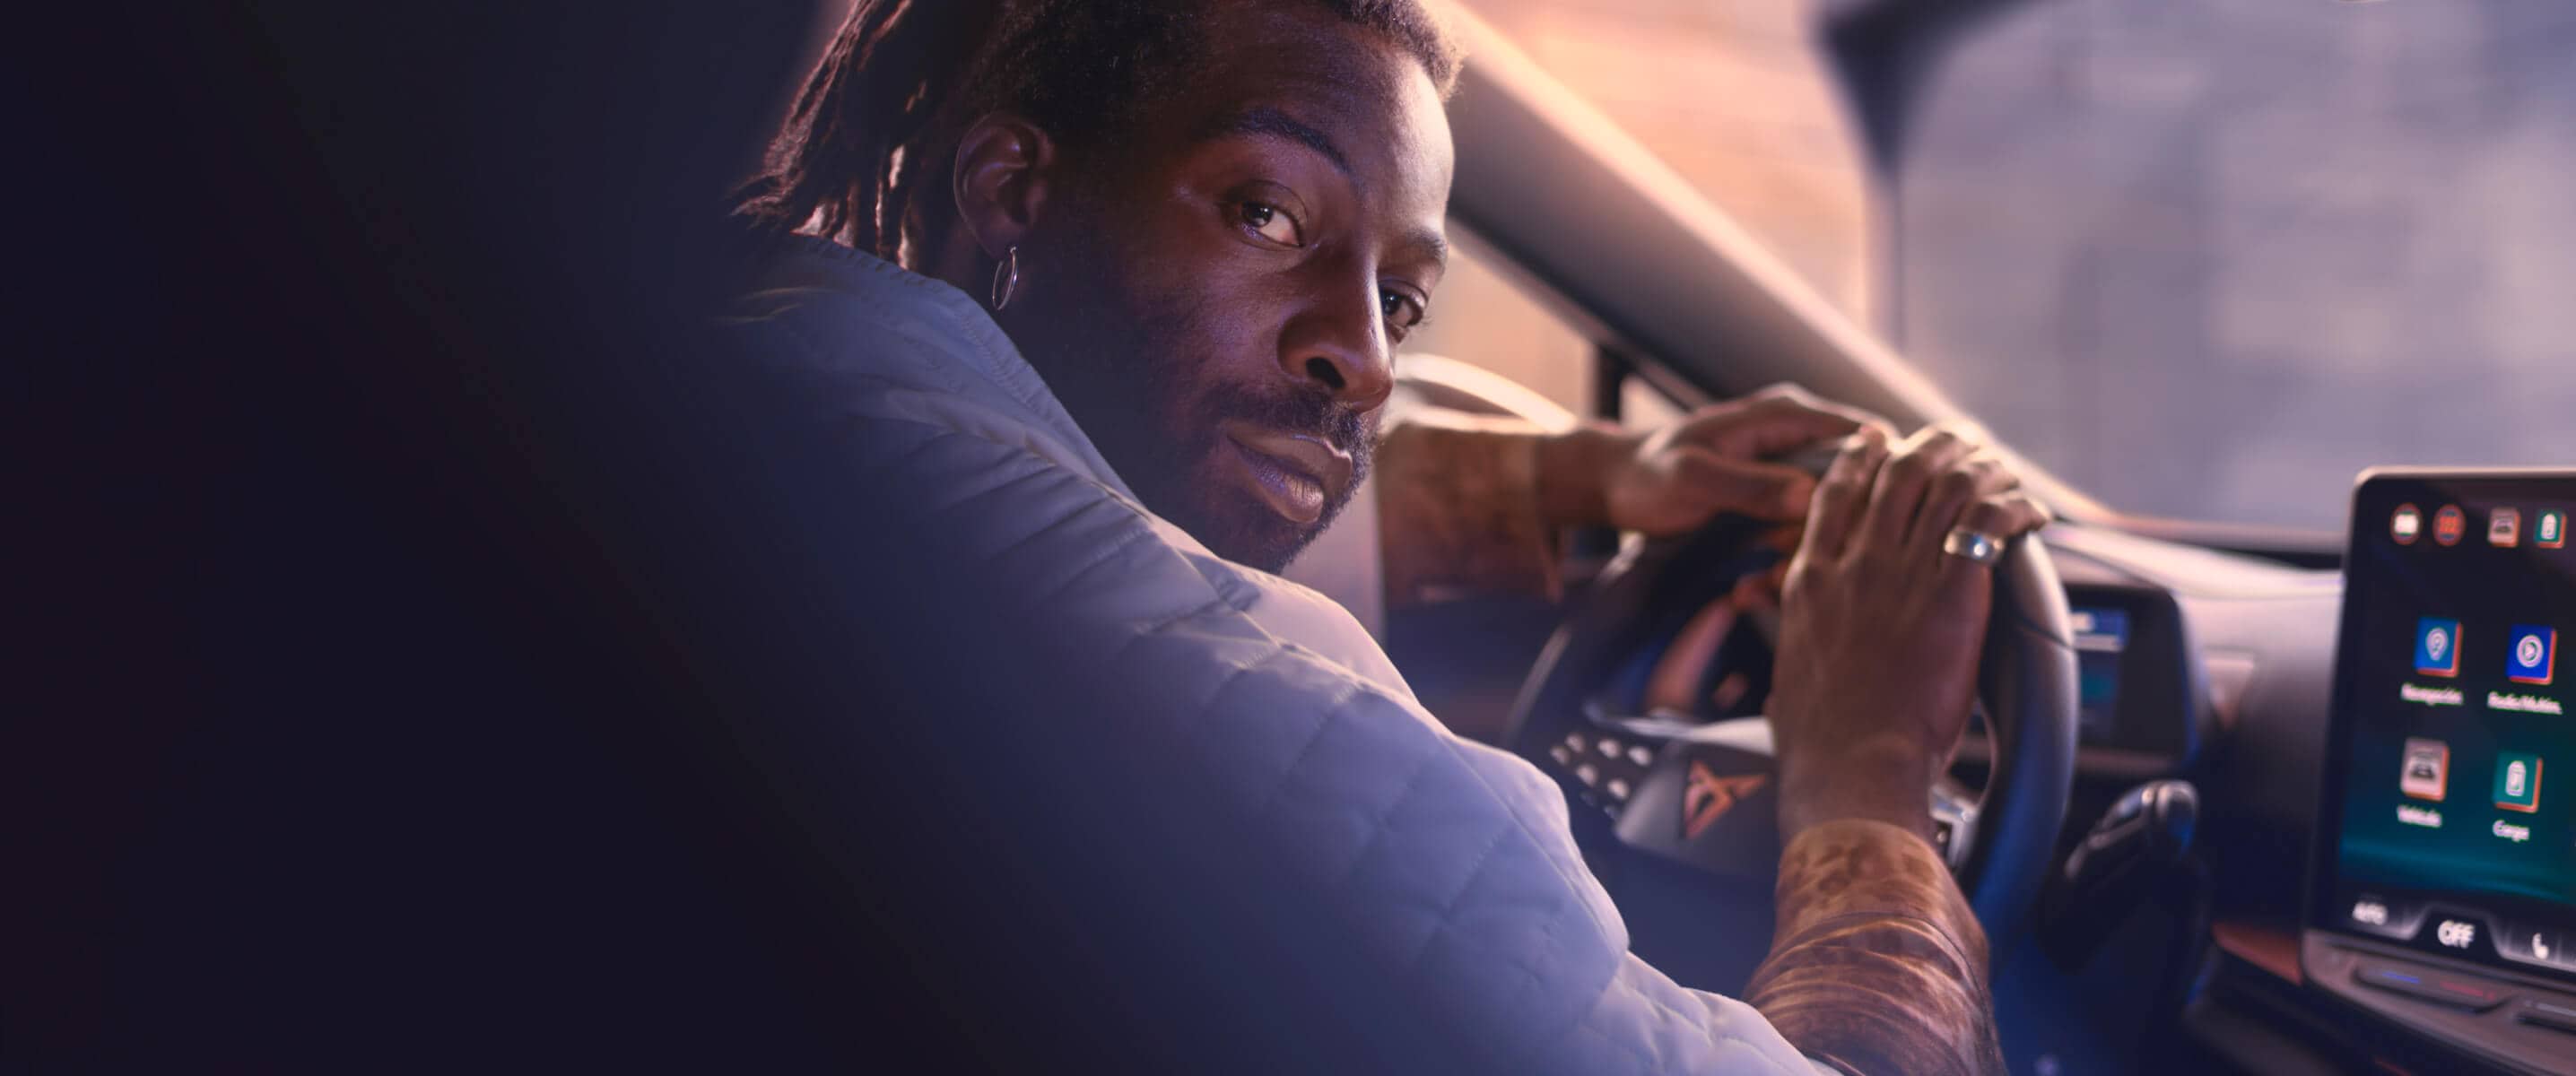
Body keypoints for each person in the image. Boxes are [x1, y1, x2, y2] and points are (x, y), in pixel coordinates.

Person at [715, 1, 2049, 1072]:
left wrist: (1588, 478)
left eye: (1400, 300)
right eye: (1270, 215)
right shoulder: (1290, 751)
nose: (1360, 357)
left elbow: (1095, 503)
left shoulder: (775, 387)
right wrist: (1868, 783)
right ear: (1014, 186)